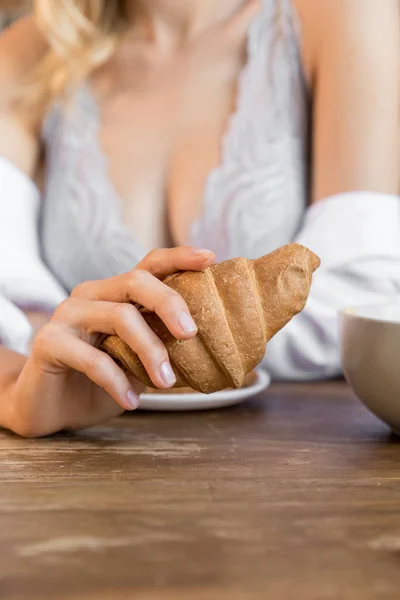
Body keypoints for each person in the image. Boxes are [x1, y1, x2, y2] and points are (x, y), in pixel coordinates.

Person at [0, 0, 399, 437]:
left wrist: (120, 349)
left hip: (303, 453)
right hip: (91, 454)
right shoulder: (31, 51)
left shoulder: (347, 15)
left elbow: (368, 293)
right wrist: (14, 392)